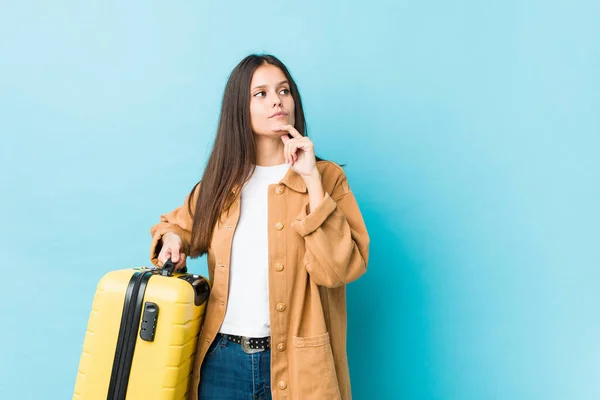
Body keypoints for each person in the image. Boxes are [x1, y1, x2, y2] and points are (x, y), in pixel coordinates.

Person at [149, 54, 370, 400]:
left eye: (283, 91)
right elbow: (175, 227)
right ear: (240, 107)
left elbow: (340, 269)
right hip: (221, 364)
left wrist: (311, 178)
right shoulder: (220, 183)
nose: (277, 100)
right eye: (261, 94)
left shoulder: (327, 178)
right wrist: (173, 239)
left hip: (299, 367)